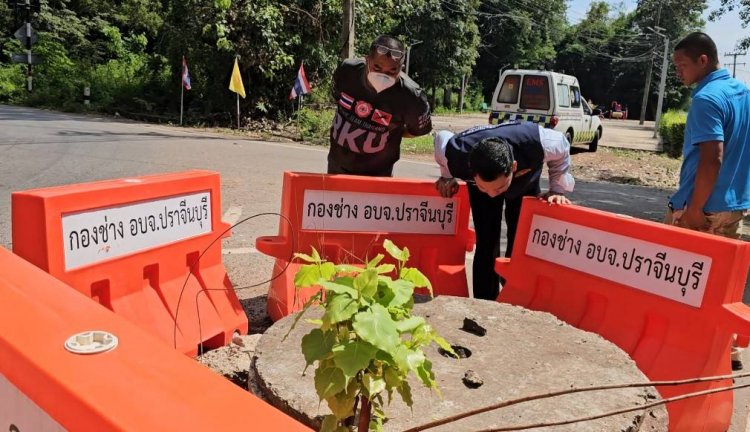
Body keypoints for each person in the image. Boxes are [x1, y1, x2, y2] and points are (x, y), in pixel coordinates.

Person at [668, 32, 750, 370]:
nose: (678, 74)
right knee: (721, 284)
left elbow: (711, 158)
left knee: (680, 282)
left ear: (704, 60)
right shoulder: (743, 93)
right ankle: (727, 350)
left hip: (701, 208)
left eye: (682, 66)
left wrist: (694, 211)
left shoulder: (706, 99)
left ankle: (687, 354)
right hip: (734, 207)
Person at [433, 121, 575, 300]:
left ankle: (514, 292)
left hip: (525, 179)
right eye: (486, 188)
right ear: (472, 172)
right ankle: (485, 301)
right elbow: (440, 139)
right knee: (486, 241)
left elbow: (562, 147)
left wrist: (557, 189)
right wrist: (446, 176)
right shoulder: (457, 152)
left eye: (498, 189)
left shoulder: (538, 142)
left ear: (513, 167)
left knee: (520, 241)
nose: (493, 195)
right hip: (481, 173)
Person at [327, 35, 432, 177]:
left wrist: (390, 132)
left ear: (401, 68)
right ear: (367, 59)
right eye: (377, 67)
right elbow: (337, 97)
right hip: (337, 167)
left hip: (377, 175)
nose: (383, 74)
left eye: (392, 71)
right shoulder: (347, 71)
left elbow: (418, 130)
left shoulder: (412, 97)